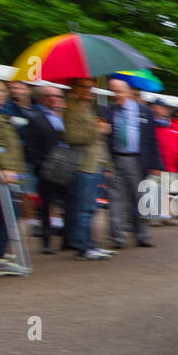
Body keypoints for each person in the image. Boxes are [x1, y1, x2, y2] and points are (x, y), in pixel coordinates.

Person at [102, 77, 161, 247]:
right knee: (116, 200)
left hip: (137, 161)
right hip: (116, 160)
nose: (117, 95)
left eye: (120, 91)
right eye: (114, 92)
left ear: (129, 92)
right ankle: (118, 238)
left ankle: (143, 236)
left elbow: (151, 139)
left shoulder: (144, 112)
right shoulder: (107, 111)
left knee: (141, 199)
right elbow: (104, 139)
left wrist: (155, 164)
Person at [63, 78, 114, 260]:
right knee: (83, 208)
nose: (89, 90)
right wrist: (97, 130)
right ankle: (83, 247)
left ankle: (89, 244)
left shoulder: (90, 109)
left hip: (95, 164)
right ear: (74, 88)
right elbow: (71, 137)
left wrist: (107, 165)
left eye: (90, 87)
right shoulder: (71, 110)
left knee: (91, 208)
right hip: (83, 165)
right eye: (84, 87)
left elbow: (99, 142)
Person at [0, 82, 27, 276]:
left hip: (5, 172)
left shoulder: (0, 112)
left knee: (4, 213)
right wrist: (4, 168)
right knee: (4, 212)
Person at [26, 85, 66, 252]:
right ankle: (46, 240)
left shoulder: (64, 117)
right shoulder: (36, 117)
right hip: (47, 167)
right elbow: (31, 145)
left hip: (65, 165)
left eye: (57, 96)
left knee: (65, 203)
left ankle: (67, 238)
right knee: (46, 204)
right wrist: (39, 164)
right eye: (50, 96)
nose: (54, 99)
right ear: (43, 98)